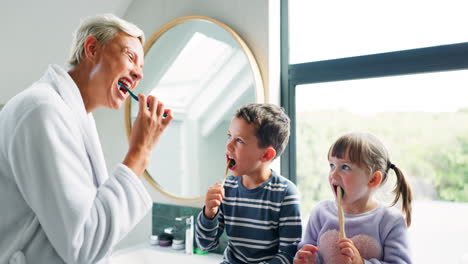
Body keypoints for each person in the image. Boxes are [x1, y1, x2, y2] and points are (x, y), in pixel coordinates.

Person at [0, 14, 173, 264]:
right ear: (92, 49)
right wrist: (140, 151)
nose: (138, 74)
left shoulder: (74, 116)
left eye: (141, 68)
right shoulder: (42, 110)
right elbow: (84, 243)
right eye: (130, 57)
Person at [196, 104, 302, 264]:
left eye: (239, 140)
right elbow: (204, 245)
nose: (228, 145)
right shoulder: (227, 188)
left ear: (266, 154)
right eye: (229, 136)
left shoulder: (286, 194)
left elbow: (288, 256)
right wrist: (209, 214)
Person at [294, 132, 413, 264]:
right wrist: (306, 260)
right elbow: (308, 253)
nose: (333, 174)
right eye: (332, 165)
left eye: (345, 167)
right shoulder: (320, 213)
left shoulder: (390, 221)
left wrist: (361, 262)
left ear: (373, 179)